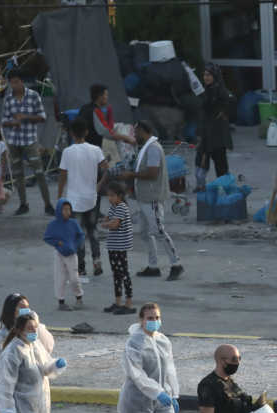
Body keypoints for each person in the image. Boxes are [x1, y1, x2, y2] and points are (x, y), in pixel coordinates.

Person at [119, 121, 183, 281]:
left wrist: (131, 176)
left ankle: (176, 264)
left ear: (142, 131)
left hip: (152, 197)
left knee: (158, 231)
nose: (135, 136)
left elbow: (152, 173)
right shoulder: (147, 147)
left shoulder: (153, 148)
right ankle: (153, 266)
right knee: (145, 232)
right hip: (145, 197)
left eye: (136, 132)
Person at [58, 118, 109, 280]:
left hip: (74, 200)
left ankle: (81, 267)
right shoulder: (95, 150)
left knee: (78, 234)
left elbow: (62, 176)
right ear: (86, 132)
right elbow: (106, 169)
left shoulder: (67, 152)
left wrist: (59, 196)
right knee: (93, 230)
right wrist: (99, 185)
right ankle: (97, 261)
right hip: (92, 197)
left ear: (72, 134)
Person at [1, 70, 53, 217]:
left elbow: (42, 117)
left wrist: (25, 117)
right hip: (13, 141)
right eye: (12, 83)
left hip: (30, 140)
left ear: (22, 81)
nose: (14, 85)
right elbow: (3, 121)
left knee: (39, 173)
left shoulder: (33, 96)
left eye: (17, 82)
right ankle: (23, 204)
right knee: (18, 174)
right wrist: (13, 123)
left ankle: (48, 205)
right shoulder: (8, 99)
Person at [195, 64, 235, 186]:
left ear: (215, 76)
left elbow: (231, 101)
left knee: (220, 162)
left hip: (217, 133)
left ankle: (225, 186)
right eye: (204, 74)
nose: (205, 77)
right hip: (207, 131)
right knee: (201, 159)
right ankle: (201, 185)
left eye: (209, 75)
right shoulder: (207, 90)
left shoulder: (219, 90)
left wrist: (223, 113)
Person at [44, 198, 85, 311]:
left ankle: (79, 297)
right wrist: (58, 243)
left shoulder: (73, 223)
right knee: (60, 278)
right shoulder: (53, 225)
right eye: (64, 209)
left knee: (74, 278)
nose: (67, 212)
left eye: (69, 209)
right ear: (59, 210)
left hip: (71, 254)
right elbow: (47, 237)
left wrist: (75, 245)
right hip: (59, 254)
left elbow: (81, 235)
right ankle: (61, 301)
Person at [101, 182, 135, 314]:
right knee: (116, 274)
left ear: (120, 196)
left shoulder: (121, 207)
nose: (109, 198)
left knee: (124, 273)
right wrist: (106, 222)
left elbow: (114, 224)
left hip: (120, 245)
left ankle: (129, 303)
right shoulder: (114, 207)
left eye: (112, 195)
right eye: (108, 196)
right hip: (113, 245)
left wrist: (105, 225)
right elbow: (107, 218)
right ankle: (118, 301)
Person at [76, 83, 136, 152]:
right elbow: (107, 133)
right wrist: (128, 138)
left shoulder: (84, 108)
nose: (107, 97)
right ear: (100, 96)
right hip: (91, 149)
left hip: (80, 146)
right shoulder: (96, 111)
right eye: (106, 95)